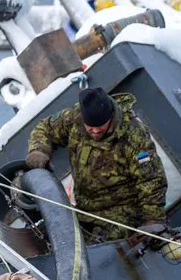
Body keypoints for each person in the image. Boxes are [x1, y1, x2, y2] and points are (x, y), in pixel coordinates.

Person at [26, 87, 167, 242]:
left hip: (122, 214)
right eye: (90, 127)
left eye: (100, 126)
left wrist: (154, 220)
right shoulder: (74, 117)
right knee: (49, 238)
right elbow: (46, 128)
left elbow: (151, 180)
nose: (95, 131)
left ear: (111, 117)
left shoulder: (134, 136)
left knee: (98, 250)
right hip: (85, 210)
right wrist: (39, 150)